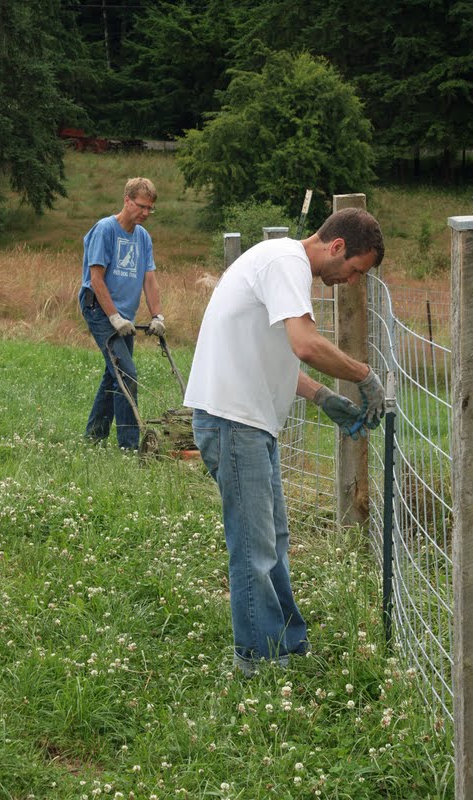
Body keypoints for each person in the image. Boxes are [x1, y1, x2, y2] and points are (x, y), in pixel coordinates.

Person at [184, 207, 386, 676]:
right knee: (254, 547)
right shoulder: (286, 263)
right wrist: (364, 376)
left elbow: (268, 352)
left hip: (248, 422)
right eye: (356, 270)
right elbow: (305, 344)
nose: (352, 282)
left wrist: (322, 397)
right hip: (233, 422)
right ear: (337, 247)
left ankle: (286, 646)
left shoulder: (282, 264)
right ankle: (257, 659)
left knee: (272, 540)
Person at [78, 177, 165, 450]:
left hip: (124, 315)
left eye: (150, 208)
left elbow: (149, 279)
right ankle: (129, 446)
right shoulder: (105, 230)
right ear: (127, 200)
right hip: (99, 309)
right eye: (142, 206)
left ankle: (93, 437)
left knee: (113, 373)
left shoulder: (143, 237)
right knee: (126, 373)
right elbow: (96, 279)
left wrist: (157, 316)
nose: (146, 213)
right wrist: (114, 317)